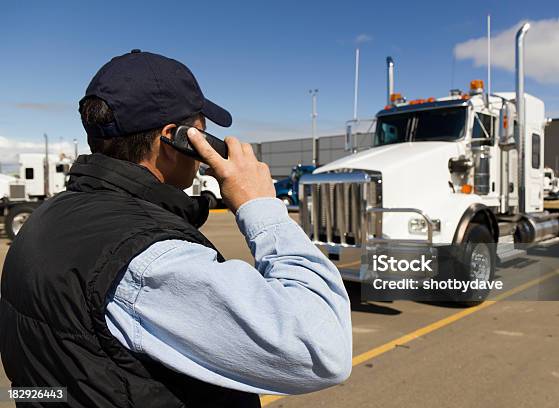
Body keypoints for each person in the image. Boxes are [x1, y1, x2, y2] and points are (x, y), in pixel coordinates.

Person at [0, 50, 352, 407]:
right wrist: (261, 207)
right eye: (202, 130)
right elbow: (322, 351)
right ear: (176, 139)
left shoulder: (50, 216)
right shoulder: (150, 257)